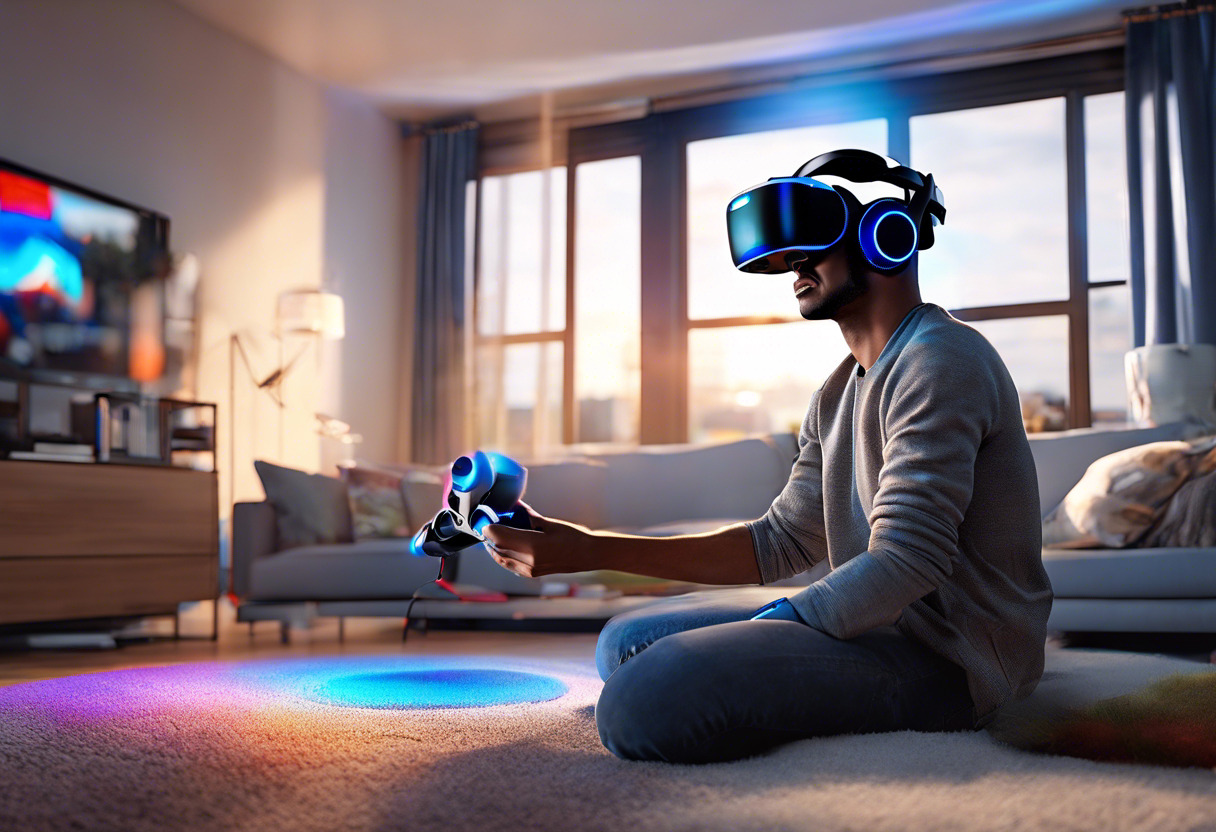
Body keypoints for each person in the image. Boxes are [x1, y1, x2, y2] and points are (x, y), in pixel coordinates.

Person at [482, 151, 1053, 764]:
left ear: (886, 234)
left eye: (814, 240)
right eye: (786, 251)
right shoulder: (837, 392)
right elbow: (779, 542)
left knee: (641, 701)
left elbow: (909, 559)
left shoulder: (943, 358)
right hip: (886, 625)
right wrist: (589, 549)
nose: (791, 266)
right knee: (625, 642)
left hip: (952, 658)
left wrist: (767, 630)